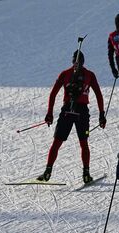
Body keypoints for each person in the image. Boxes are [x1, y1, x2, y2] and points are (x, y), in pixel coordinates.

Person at [37, 50, 106, 183]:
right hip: (82, 112)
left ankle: (47, 172)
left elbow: (53, 94)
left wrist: (50, 113)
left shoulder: (65, 74)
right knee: (83, 143)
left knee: (57, 142)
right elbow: (98, 94)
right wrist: (101, 114)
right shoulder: (89, 75)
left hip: (67, 110)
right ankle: (86, 174)